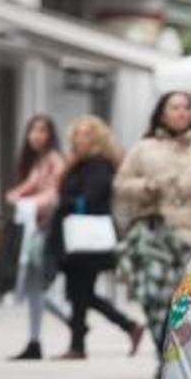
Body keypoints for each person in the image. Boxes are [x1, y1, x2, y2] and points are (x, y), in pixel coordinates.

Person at [114, 92, 191, 363]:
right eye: (175, 107)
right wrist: (146, 186)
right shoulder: (144, 148)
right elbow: (120, 187)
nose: (181, 112)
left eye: (186, 107)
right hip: (155, 231)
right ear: (162, 112)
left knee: (190, 302)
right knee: (156, 297)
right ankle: (165, 354)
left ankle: (184, 358)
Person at [47, 115, 145, 360]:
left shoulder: (99, 164)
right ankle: (126, 328)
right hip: (75, 236)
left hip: (86, 236)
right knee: (80, 292)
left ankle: (80, 344)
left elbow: (91, 196)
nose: (81, 138)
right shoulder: (78, 164)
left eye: (87, 133)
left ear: (98, 138)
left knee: (81, 292)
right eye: (78, 133)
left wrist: (64, 201)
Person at [4, 115, 68, 361]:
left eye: (41, 130)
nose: (36, 136)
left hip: (46, 232)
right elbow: (24, 189)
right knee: (33, 288)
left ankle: (74, 322)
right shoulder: (38, 162)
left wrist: (25, 200)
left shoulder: (53, 160)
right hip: (34, 231)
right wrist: (17, 196)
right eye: (32, 130)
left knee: (38, 287)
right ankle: (35, 339)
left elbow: (53, 194)